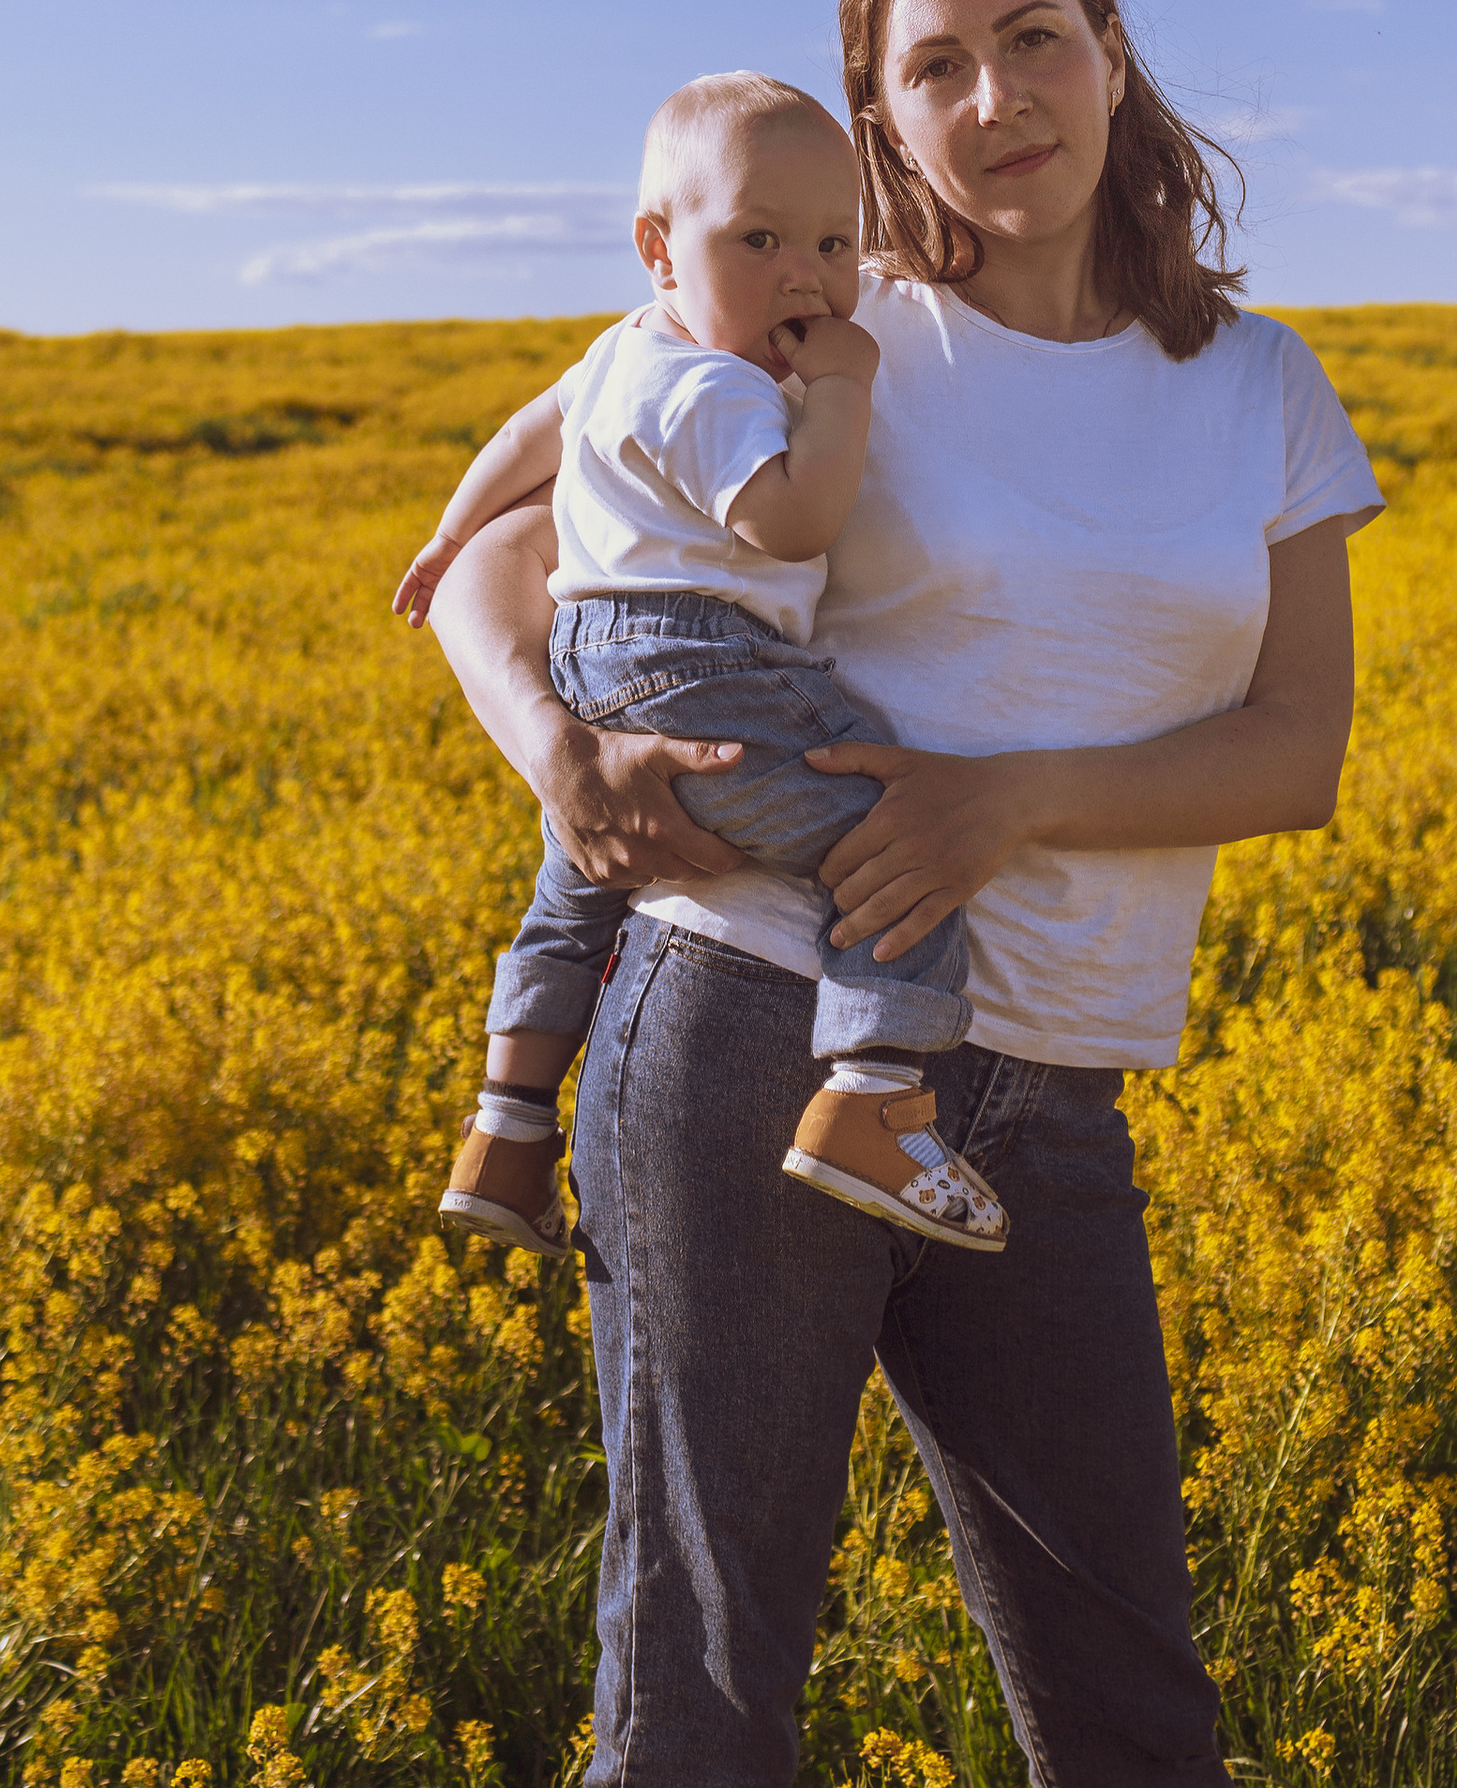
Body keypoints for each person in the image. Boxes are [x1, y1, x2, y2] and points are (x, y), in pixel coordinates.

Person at [425, 0, 1381, 1788]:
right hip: (748, 1025)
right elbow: (487, 544)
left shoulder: (1251, 383)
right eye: (931, 66)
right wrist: (559, 751)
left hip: (1041, 1088)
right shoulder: (814, 311)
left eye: (1031, 36)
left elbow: (1293, 747)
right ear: (875, 122)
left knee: (1121, 1656)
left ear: (1110, 56)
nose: (993, 96)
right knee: (708, 1664)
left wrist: (1005, 802)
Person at [393, 70, 1005, 1254]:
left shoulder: (620, 349)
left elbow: (527, 435)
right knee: (898, 848)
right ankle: (873, 1097)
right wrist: (840, 387)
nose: (804, 277)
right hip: (706, 660)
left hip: (595, 662)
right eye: (758, 240)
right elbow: (792, 523)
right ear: (657, 251)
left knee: (576, 889)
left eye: (833, 244)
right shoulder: (716, 386)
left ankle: (506, 1127)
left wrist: (451, 534)